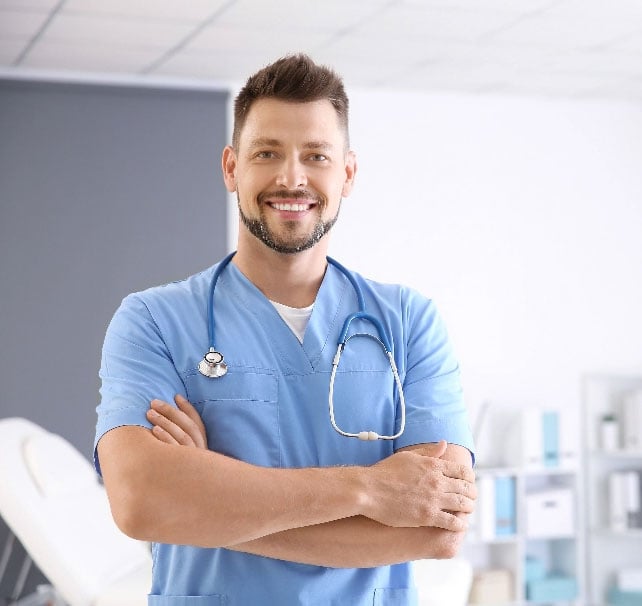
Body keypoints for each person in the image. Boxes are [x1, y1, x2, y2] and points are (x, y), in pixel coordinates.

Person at [95, 53, 476, 605]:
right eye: (267, 153)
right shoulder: (152, 320)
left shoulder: (409, 323)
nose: (291, 177)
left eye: (316, 156)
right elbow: (141, 503)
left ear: (346, 173)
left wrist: (209, 500)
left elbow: (437, 530)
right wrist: (370, 489)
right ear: (231, 168)